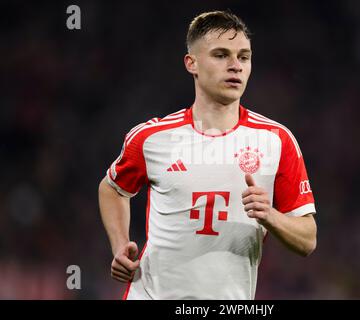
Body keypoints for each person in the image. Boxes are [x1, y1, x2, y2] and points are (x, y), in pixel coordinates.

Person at [98, 10, 317, 300]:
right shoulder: (152, 138)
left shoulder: (276, 140)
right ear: (192, 63)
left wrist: (271, 217)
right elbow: (113, 188)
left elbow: (308, 239)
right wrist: (119, 244)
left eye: (243, 57)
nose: (235, 66)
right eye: (221, 55)